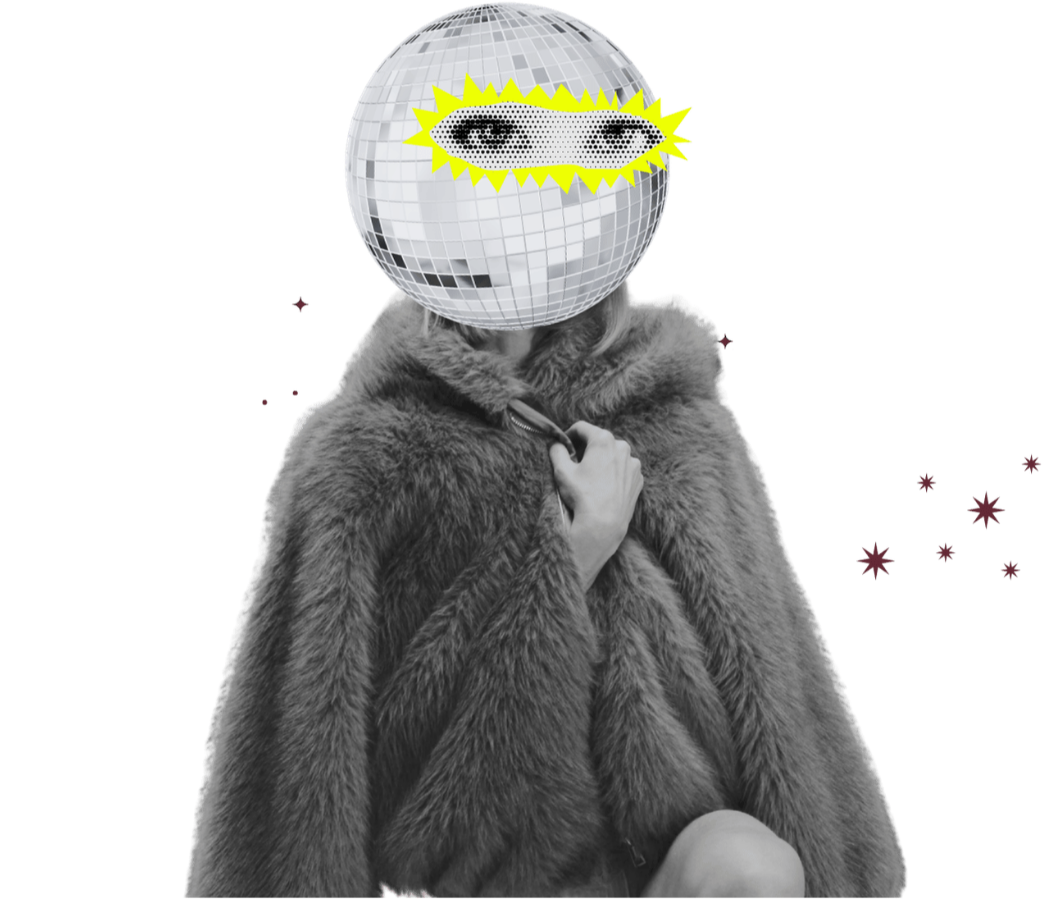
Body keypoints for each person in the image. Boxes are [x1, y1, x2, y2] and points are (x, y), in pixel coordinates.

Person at [185, 282, 907, 898]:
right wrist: (574, 557)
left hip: (654, 874)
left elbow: (776, 693)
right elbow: (299, 754)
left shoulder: (681, 421)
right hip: (455, 880)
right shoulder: (361, 450)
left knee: (747, 865)